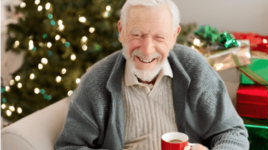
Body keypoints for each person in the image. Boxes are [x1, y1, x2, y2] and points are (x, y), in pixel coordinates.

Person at [55, 0, 250, 149]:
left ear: (174, 36)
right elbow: (69, 146)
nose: (147, 50)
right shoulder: (95, 82)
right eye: (137, 35)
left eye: (159, 37)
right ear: (121, 31)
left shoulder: (194, 68)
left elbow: (231, 132)